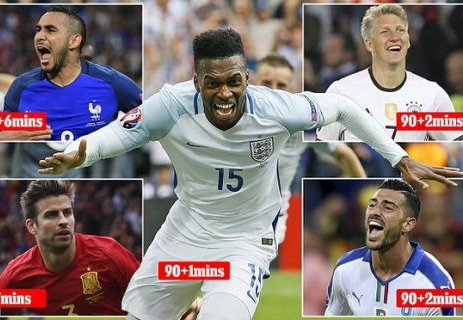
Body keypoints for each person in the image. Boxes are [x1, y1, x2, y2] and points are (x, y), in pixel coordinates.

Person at [38, 29, 461, 320]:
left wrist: (397, 158)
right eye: (212, 82)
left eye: (234, 80)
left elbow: (345, 109)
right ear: (196, 79)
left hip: (244, 241)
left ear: (247, 76)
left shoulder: (278, 109)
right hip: (184, 232)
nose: (225, 92)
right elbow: (122, 131)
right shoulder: (171, 104)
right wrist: (82, 153)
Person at [0, 6, 142, 178]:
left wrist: (112, 138)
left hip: (86, 182)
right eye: (38, 30)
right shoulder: (21, 87)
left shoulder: (112, 83)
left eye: (50, 30)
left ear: (74, 41)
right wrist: (7, 137)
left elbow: (149, 119)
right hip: (29, 179)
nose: (40, 36)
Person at [254, 53, 366, 244]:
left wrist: (364, 194)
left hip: (271, 216)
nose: (274, 91)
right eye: (266, 83)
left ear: (291, 89)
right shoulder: (234, 118)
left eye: (281, 85)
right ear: (254, 83)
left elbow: (344, 154)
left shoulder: (304, 122)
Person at [317, 4, 462, 141]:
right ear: (369, 44)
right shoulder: (340, 92)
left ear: (408, 41)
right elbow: (323, 149)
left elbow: (457, 142)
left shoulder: (433, 93)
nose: (394, 37)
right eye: (385, 32)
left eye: (400, 30)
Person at [0, 180, 140, 315]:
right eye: (51, 215)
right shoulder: (15, 278)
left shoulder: (109, 253)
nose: (63, 221)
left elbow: (149, 300)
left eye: (67, 212)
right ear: (32, 226)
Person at [325, 179, 455, 316]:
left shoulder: (436, 285)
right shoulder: (345, 268)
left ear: (408, 224)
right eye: (372, 205)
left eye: (388, 208)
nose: (375, 212)